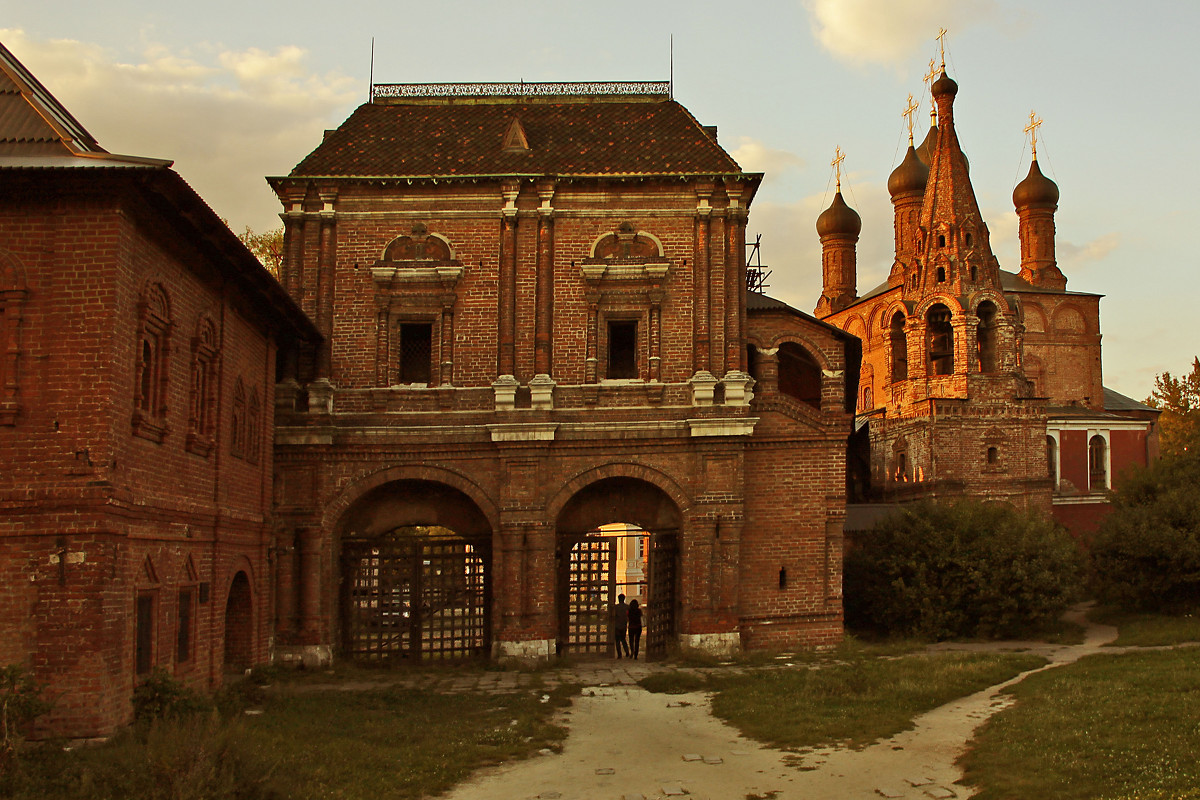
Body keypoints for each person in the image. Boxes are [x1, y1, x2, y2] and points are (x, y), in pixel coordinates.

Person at [613, 593, 630, 658]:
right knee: (623, 639)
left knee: (617, 641)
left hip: (617, 625)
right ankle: (627, 652)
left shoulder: (616, 607)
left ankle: (619, 654)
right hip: (624, 625)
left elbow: (613, 615)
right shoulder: (627, 607)